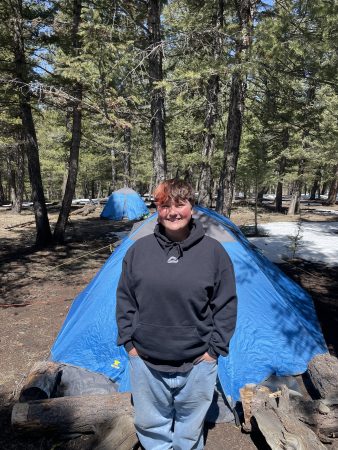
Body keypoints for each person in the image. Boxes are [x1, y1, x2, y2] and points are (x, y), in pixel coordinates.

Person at [116, 179, 237, 450]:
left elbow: (226, 305)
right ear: (157, 210)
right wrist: (129, 343)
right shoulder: (139, 250)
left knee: (190, 428)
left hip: (198, 363)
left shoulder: (214, 252)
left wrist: (213, 351)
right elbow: (125, 299)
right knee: (150, 426)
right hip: (146, 360)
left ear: (191, 207)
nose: (173, 212)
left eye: (180, 204)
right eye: (164, 205)